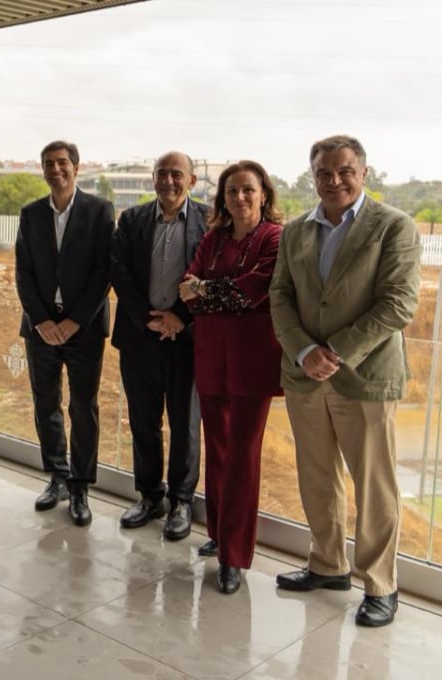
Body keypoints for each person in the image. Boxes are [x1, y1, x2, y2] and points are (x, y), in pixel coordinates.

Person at [269, 135, 421, 627]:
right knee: (317, 477)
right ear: (312, 176)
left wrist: (333, 352)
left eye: (344, 171)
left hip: (365, 376)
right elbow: (280, 297)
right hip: (304, 375)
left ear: (364, 172)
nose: (334, 181)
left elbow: (398, 302)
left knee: (375, 486)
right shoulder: (295, 232)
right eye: (324, 173)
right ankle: (327, 565)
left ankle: (380, 584)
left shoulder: (394, 226)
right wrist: (305, 351)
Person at [178, 160, 283, 594]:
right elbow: (187, 291)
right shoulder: (214, 238)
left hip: (252, 361)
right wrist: (210, 292)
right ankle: (219, 534)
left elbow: (254, 290)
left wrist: (208, 291)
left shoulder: (275, 238)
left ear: (264, 195)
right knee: (217, 450)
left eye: (248, 190)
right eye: (232, 191)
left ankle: (235, 558)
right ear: (222, 197)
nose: (239, 198)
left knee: (243, 455)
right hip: (210, 358)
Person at [15, 141, 115, 527]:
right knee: (46, 403)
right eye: (48, 164)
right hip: (40, 327)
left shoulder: (99, 210)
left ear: (76, 167)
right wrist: (42, 321)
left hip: (84, 327)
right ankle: (56, 475)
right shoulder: (30, 214)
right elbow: (23, 273)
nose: (55, 170)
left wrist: (74, 321)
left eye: (62, 163)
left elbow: (103, 271)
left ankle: (80, 486)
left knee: (83, 407)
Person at [110, 151, 206, 540]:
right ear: (153, 178)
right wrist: (148, 318)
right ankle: (150, 496)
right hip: (140, 338)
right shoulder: (132, 220)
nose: (168, 180)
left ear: (192, 181)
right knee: (143, 422)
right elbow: (118, 269)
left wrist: (180, 319)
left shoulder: (211, 221)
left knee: (185, 423)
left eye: (176, 174)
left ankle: (181, 501)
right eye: (162, 173)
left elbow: (213, 272)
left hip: (187, 339)